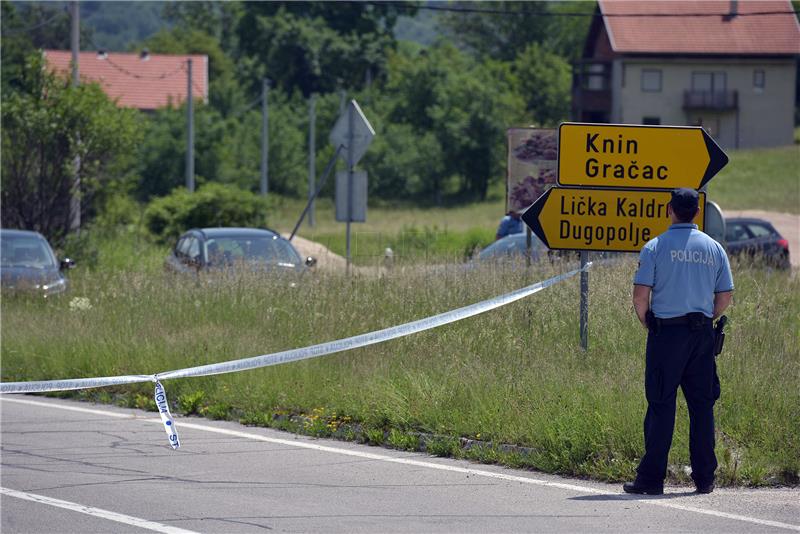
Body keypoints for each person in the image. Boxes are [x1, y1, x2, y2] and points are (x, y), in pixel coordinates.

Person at [624, 188, 734, 496]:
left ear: (669, 209)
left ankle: (651, 479)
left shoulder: (655, 247)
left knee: (661, 405)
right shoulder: (714, 248)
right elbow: (725, 295)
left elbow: (640, 296)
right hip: (701, 336)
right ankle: (704, 479)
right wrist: (704, 319)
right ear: (697, 213)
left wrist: (649, 323)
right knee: (702, 407)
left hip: (667, 335)